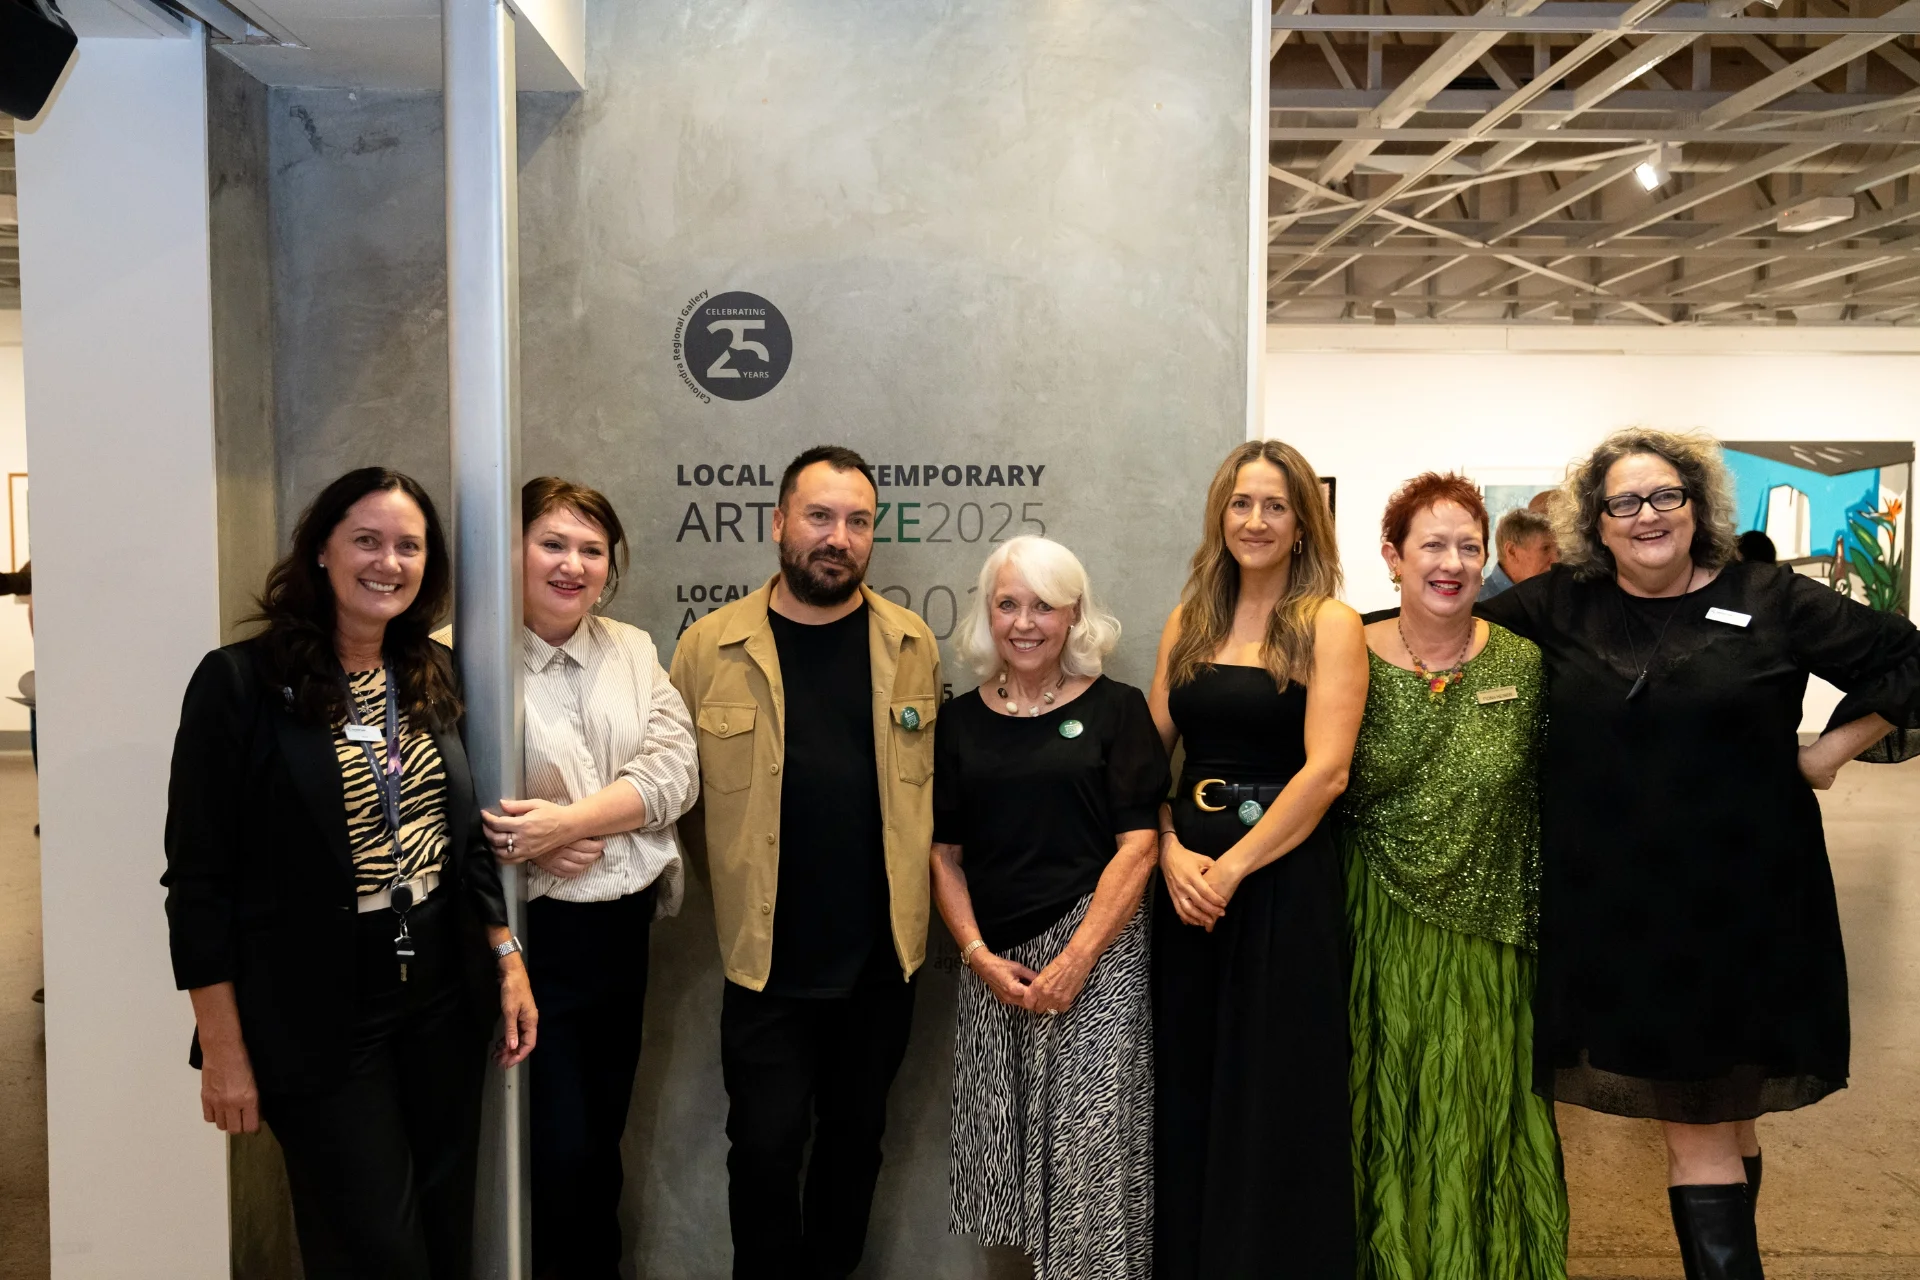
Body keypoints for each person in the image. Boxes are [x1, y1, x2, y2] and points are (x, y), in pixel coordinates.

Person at [1478, 428, 1920, 1280]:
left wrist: (1829, 752)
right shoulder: (1558, 603)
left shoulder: (1772, 596)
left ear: (1697, 507)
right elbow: (1441, 640)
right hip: (1621, 912)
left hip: (1751, 906)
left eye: (1665, 496)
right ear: (1595, 524)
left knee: (1708, 1127)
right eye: (1624, 502)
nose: (1647, 515)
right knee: (1721, 1121)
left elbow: (1907, 659)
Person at [162, 468, 536, 1280]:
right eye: (366, 540)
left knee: (445, 1229)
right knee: (376, 1248)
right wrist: (223, 1050)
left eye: (408, 545)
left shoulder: (428, 675)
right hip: (313, 1005)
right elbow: (197, 884)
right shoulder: (238, 684)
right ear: (322, 551)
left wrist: (505, 956)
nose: (388, 562)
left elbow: (460, 836)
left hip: (439, 984)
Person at [669, 445, 940, 1280]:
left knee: (856, 1147)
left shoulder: (910, 643)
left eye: (858, 522)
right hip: (766, 968)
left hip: (880, 963)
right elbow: (674, 804)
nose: (839, 537)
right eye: (820, 517)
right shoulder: (710, 647)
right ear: (779, 523)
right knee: (762, 1151)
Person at [1147, 438, 1367, 1279]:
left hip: (1278, 883)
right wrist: (1170, 848)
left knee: (1275, 1088)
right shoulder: (1189, 620)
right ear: (1221, 515)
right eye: (1242, 503)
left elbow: (1327, 772)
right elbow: (1148, 754)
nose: (1256, 520)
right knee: (1192, 1082)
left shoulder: (1328, 624)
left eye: (1276, 505)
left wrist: (1232, 868)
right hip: (1185, 887)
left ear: (1304, 524)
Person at [1343, 473, 1568, 1280]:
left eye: (1467, 547)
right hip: (1372, 931)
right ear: (1392, 556)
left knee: (1478, 1120)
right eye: (1431, 545)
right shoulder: (1348, 656)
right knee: (1382, 1111)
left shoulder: (1527, 664)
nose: (1451, 563)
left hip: (1492, 939)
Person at [477, 477, 698, 1280]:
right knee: (548, 1153)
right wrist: (525, 844)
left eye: (591, 550)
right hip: (520, 942)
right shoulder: (457, 650)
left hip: (619, 932)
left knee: (598, 1146)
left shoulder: (633, 650)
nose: (573, 565)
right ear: (514, 550)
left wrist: (566, 823)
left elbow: (675, 770)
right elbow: (446, 798)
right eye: (553, 543)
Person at [931, 536, 1168, 1280]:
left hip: (1097, 958)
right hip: (995, 964)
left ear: (1074, 617)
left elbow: (1139, 848)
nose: (1024, 622)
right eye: (1008, 604)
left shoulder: (1117, 711)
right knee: (1010, 1164)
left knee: (1090, 1160)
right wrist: (976, 956)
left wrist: (1075, 961)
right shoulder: (960, 722)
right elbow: (944, 855)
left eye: (1044, 606)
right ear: (988, 614)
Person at [1482, 506, 1558, 600]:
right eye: (1545, 549)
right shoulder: (1477, 605)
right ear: (1512, 552)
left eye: (1558, 551)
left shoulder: (1547, 596)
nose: (1555, 560)